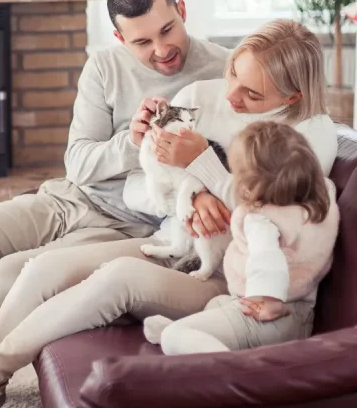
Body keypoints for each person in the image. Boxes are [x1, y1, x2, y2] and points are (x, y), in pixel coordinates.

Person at [0, 19, 336, 408]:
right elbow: (146, 187)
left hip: (235, 280)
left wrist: (203, 166)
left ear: (291, 97)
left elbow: (276, 225)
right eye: (232, 75)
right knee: (40, 270)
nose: (230, 96)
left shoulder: (310, 137)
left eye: (252, 94)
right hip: (175, 241)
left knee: (119, 278)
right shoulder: (200, 98)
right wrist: (188, 195)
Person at [0, 0, 231, 408]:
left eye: (167, 30)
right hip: (71, 197)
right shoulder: (103, 66)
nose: (161, 50)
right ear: (120, 38)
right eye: (141, 42)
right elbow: (78, 161)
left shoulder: (224, 72)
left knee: (8, 278)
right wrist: (131, 141)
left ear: (181, 11)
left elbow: (239, 158)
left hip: (131, 223)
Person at [144, 121, 339, 355]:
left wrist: (269, 301)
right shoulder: (321, 198)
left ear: (247, 187)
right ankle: (185, 330)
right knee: (215, 306)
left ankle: (228, 367)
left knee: (173, 339)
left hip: (268, 314)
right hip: (301, 312)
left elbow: (268, 259)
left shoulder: (262, 220)